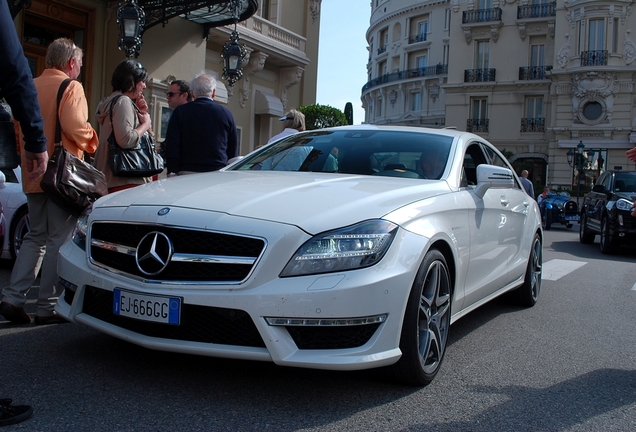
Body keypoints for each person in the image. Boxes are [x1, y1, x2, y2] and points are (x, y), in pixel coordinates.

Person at [0, 38, 98, 326]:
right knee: (58, 237)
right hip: (61, 174)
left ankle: (13, 297)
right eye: (79, 63)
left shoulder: (30, 84)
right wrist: (92, 138)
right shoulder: (71, 87)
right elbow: (74, 126)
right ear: (70, 63)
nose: (79, 68)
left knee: (35, 236)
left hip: (33, 170)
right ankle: (48, 306)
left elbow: (19, 128)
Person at [93, 60, 153, 193]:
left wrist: (141, 112)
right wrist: (145, 124)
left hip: (109, 177)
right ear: (131, 81)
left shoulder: (107, 102)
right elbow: (126, 140)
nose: (144, 86)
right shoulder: (123, 102)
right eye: (142, 81)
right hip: (126, 178)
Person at [164, 73, 238, 176]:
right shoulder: (226, 114)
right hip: (216, 172)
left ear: (193, 93)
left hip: (186, 172)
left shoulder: (180, 112)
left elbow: (173, 144)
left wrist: (172, 170)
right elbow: (232, 149)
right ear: (213, 93)